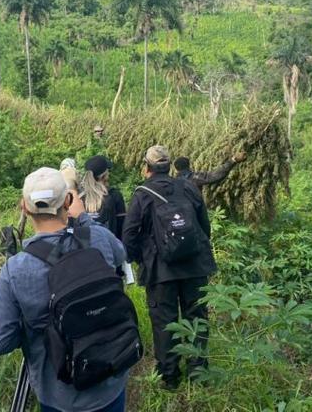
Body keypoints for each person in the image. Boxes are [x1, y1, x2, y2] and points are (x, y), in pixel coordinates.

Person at [0, 167, 129, 412]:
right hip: (111, 380)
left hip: (59, 396)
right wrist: (83, 219)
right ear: (68, 201)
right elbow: (121, 255)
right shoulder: (100, 238)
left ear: (24, 207)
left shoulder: (16, 269)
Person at [122, 145, 216, 390]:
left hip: (160, 270)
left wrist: (139, 260)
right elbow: (204, 226)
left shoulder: (142, 193)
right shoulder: (187, 187)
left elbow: (130, 234)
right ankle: (198, 371)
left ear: (147, 168)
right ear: (170, 165)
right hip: (194, 266)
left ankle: (169, 376)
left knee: (165, 321)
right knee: (197, 317)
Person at [81, 155, 126, 240]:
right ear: (105, 175)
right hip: (109, 247)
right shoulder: (114, 195)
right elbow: (122, 227)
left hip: (85, 249)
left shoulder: (80, 199)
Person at [173, 151, 247, 192]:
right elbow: (214, 175)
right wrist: (233, 160)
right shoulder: (194, 178)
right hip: (193, 212)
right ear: (189, 166)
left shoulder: (173, 181)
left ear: (176, 169)